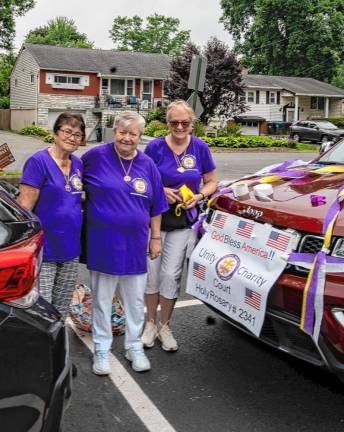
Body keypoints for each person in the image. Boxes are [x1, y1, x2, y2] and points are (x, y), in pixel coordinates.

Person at [82, 111, 168, 375]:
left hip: (135, 245)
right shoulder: (95, 156)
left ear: (140, 137)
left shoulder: (147, 164)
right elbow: (69, 178)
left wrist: (155, 238)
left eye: (133, 134)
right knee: (102, 300)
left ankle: (134, 346)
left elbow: (156, 206)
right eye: (122, 132)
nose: (127, 138)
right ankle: (102, 349)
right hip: (103, 243)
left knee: (133, 301)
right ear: (114, 131)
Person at [142, 100, 217, 351]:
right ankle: (150, 324)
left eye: (185, 122)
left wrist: (199, 196)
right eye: (174, 122)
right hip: (155, 221)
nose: (179, 127)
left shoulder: (200, 148)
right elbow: (142, 181)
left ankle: (165, 326)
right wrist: (161, 190)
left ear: (192, 124)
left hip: (183, 222)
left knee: (171, 275)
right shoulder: (154, 147)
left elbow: (211, 181)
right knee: (151, 275)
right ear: (167, 123)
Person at [18, 113, 85, 317]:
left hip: (71, 249)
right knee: (43, 310)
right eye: (67, 132)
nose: (71, 138)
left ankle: (59, 348)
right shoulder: (38, 162)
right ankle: (42, 349)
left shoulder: (78, 164)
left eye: (77, 134)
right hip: (45, 250)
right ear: (55, 133)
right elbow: (25, 208)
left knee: (62, 309)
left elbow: (71, 196)